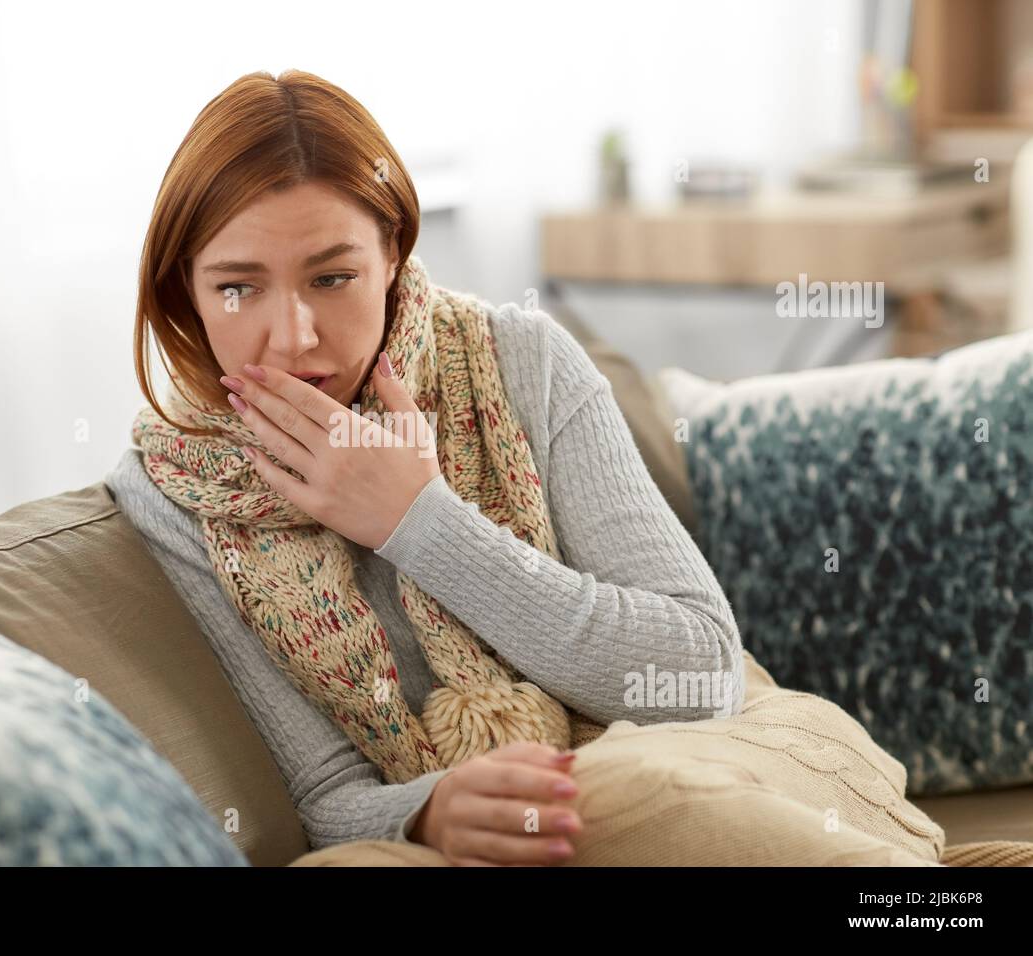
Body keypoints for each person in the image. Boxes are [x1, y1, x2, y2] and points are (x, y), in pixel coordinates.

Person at [104, 68, 746, 867]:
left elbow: (702, 676)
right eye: (238, 288)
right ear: (185, 295)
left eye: (333, 278)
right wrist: (431, 812)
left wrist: (420, 521)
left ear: (394, 256)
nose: (294, 336)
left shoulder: (522, 360)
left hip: (684, 779)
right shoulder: (171, 490)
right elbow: (325, 797)